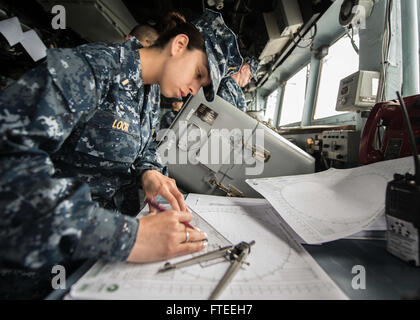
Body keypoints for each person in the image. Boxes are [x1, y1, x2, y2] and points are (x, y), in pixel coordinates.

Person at [0, 8, 242, 296]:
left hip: (92, 258)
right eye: (198, 74)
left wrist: (148, 171)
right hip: (37, 264)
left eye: (201, 86)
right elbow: (9, 171)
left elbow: (144, 144)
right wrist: (129, 237)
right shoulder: (91, 68)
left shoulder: (150, 91)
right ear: (178, 45)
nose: (193, 90)